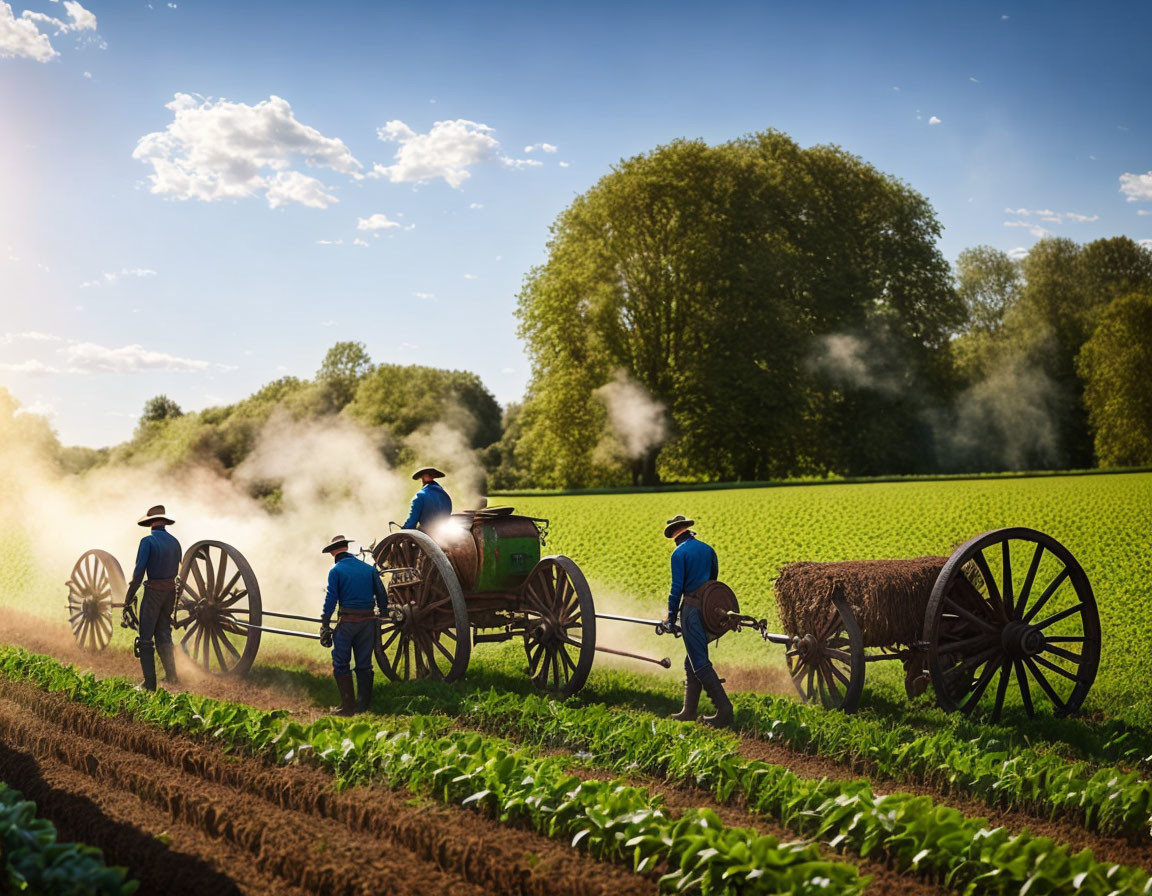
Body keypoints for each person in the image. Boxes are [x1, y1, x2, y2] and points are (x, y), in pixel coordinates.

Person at [662, 514, 732, 728]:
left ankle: (724, 710)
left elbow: (677, 589)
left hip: (691, 610)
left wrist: (670, 617)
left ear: (675, 533)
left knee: (699, 662)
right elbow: (713, 580)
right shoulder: (708, 549)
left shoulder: (678, 553)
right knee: (691, 660)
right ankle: (689, 711)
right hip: (709, 608)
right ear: (687, 529)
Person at [319, 534, 388, 716]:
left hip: (348, 623)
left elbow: (331, 599)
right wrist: (384, 611)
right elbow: (381, 593)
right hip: (368, 623)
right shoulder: (368, 569)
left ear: (333, 552)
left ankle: (347, 707)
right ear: (346, 548)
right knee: (365, 664)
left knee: (341, 662)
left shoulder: (336, 571)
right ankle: (363, 707)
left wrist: (325, 624)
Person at [123, 504, 182, 691]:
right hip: (170, 592)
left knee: (146, 637)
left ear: (151, 523)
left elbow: (139, 573)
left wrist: (128, 597)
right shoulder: (175, 542)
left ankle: (149, 684)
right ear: (164, 521)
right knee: (164, 633)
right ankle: (172, 677)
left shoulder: (147, 542)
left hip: (154, 593)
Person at [401, 466, 452, 530]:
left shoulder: (420, 495)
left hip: (428, 532)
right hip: (444, 532)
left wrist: (405, 528)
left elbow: (411, 523)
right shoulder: (446, 496)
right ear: (433, 477)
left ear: (422, 479)